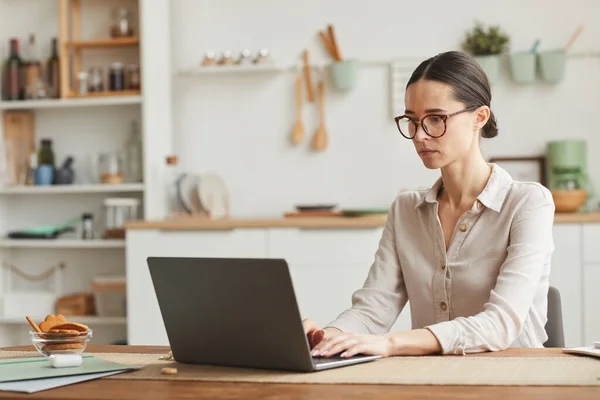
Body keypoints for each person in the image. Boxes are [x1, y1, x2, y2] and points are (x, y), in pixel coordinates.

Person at [303, 50, 555, 358]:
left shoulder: (527, 203)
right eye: (412, 120)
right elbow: (373, 309)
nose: (419, 135)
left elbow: (500, 324)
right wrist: (325, 337)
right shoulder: (405, 209)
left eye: (435, 119)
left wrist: (392, 342)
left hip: (514, 381)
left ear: (480, 117)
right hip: (429, 379)